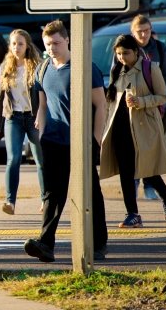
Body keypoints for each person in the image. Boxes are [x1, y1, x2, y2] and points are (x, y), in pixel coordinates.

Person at [24, 20, 109, 263]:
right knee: (53, 194)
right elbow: (41, 105)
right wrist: (40, 134)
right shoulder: (42, 69)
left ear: (67, 40)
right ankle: (46, 244)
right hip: (53, 141)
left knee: (90, 193)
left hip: (81, 140)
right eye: (48, 44)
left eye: (56, 43)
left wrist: (95, 140)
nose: (52, 48)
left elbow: (100, 105)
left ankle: (99, 243)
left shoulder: (83, 68)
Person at [101, 34, 166, 228]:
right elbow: (111, 101)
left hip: (143, 127)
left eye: (126, 53)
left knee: (145, 168)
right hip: (119, 129)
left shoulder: (150, 68)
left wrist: (141, 102)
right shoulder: (116, 71)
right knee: (126, 172)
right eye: (118, 54)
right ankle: (132, 214)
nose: (122, 57)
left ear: (136, 51)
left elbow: (163, 97)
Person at [0, 29, 46, 215]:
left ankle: (44, 200)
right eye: (14, 43)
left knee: (40, 161)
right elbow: (0, 97)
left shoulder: (37, 65)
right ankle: (10, 202)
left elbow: (43, 95)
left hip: (33, 118)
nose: (17, 47)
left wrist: (41, 115)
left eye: (21, 43)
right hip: (13, 118)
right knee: (13, 159)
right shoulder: (5, 67)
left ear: (28, 45)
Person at [119, 15, 166, 200]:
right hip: (128, 115)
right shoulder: (123, 52)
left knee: (147, 156)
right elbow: (116, 81)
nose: (144, 34)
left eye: (147, 30)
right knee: (130, 160)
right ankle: (133, 203)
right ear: (133, 32)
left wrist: (151, 103)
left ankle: (155, 190)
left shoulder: (159, 49)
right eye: (140, 31)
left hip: (150, 110)